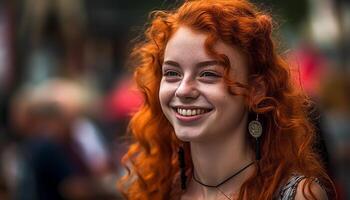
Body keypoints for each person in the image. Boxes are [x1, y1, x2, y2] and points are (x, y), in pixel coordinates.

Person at [118, 0, 337, 199]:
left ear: (256, 90)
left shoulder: (296, 195)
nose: (183, 90)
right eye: (172, 73)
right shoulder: (158, 189)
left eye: (208, 74)